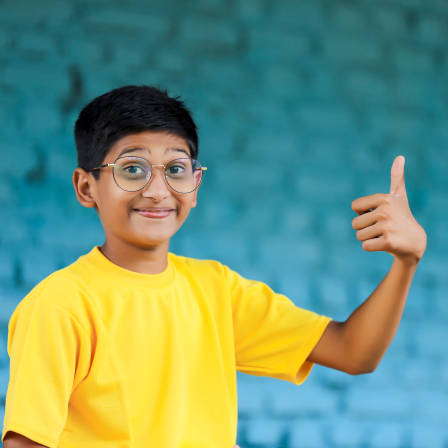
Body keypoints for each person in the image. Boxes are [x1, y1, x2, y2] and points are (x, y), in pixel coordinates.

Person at [2, 85, 427, 448]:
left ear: (195, 183)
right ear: (85, 186)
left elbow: (353, 351)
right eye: (132, 169)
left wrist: (405, 263)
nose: (157, 191)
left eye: (175, 169)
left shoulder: (216, 290)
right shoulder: (61, 306)